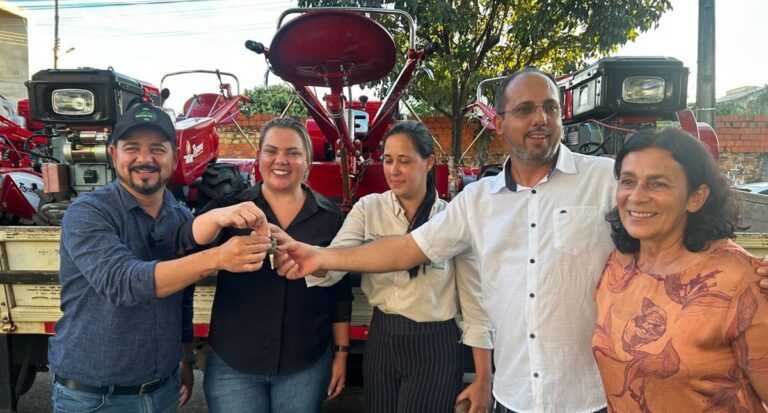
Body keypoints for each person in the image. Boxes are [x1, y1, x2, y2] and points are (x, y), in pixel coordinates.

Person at [274, 68, 768, 413]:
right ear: (500, 121)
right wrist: (323, 255)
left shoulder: (608, 180)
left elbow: (671, 221)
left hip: (594, 397)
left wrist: (737, 265)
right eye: (526, 109)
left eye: (550, 109)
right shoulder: (477, 200)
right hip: (514, 397)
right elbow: (408, 248)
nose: (541, 120)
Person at [50, 103, 272, 413]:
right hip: (95, 398)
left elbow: (183, 298)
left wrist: (185, 357)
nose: (145, 159)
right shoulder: (88, 213)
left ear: (175, 157)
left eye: (157, 148)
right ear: (114, 155)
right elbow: (122, 282)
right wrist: (216, 257)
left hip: (163, 393)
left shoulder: (180, 216)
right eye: (132, 148)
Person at [298, 120, 493, 413]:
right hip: (383, 340)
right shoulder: (369, 209)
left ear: (429, 163)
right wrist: (305, 260)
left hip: (435, 345)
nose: (393, 170)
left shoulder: (451, 219)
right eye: (388, 160)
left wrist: (484, 378)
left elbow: (474, 304)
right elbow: (334, 263)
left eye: (404, 161)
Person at [180, 117, 352, 413]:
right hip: (234, 366)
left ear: (308, 160)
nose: (281, 161)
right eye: (271, 151)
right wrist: (216, 220)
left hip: (305, 365)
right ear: (258, 157)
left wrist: (341, 354)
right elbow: (184, 243)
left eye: (293, 153)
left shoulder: (331, 218)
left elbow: (340, 292)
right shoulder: (231, 210)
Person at [592, 127, 768, 412]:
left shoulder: (740, 281)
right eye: (628, 181)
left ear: (696, 197)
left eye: (657, 184)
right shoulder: (619, 265)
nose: (636, 197)